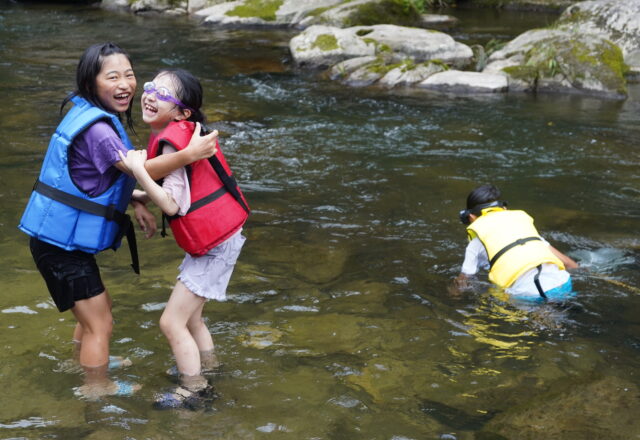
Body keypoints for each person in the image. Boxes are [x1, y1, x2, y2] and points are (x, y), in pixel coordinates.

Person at [18, 43, 218, 399]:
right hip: (59, 249)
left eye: (129, 74)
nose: (125, 83)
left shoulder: (90, 114)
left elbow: (104, 181)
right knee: (101, 325)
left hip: (60, 243)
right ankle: (97, 388)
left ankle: (81, 362)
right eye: (113, 76)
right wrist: (189, 154)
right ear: (91, 83)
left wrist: (136, 200)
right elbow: (139, 169)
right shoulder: (98, 130)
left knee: (100, 311)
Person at [118, 68, 249, 408]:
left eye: (161, 94)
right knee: (191, 318)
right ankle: (211, 370)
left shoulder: (173, 140)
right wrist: (138, 197)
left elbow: (172, 204)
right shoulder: (182, 134)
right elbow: (180, 191)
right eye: (149, 87)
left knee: (170, 321)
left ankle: (195, 389)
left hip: (214, 246)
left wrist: (140, 171)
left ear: (182, 113)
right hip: (222, 238)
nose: (148, 95)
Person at [453, 184, 579, 301]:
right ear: (504, 208)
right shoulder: (525, 230)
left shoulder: (475, 244)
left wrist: (452, 294)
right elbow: (570, 264)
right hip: (563, 282)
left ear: (471, 217)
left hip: (529, 294)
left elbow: (463, 282)